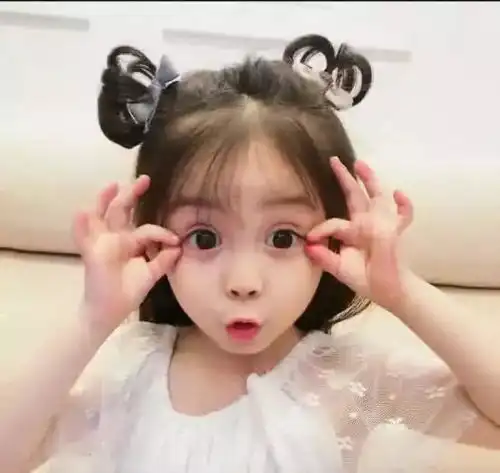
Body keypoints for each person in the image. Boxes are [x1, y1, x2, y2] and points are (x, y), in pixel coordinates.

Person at [1, 34, 499, 473]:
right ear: (153, 237)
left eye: (282, 238)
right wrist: (91, 321)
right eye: (204, 238)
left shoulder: (347, 380)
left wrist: (404, 293)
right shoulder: (137, 370)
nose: (243, 282)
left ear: (334, 236)